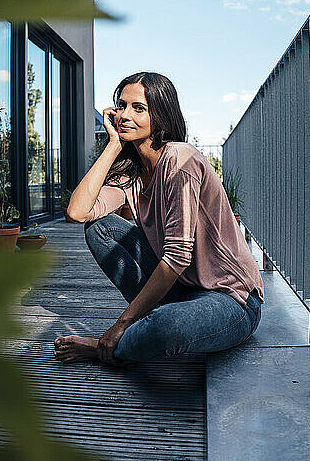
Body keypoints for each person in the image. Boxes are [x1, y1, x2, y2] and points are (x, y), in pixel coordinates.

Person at [54, 72, 264, 365]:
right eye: (121, 106)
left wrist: (122, 323)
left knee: (167, 327)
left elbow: (177, 257)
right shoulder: (131, 175)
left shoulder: (181, 160)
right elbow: (77, 212)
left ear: (161, 116)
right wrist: (113, 145)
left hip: (231, 300)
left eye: (138, 108)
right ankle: (142, 328)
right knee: (100, 227)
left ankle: (108, 348)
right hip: (184, 290)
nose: (125, 115)